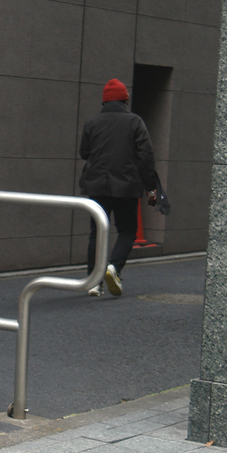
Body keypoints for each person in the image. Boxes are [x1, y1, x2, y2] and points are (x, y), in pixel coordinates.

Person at [78, 78, 159, 297]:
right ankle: (114, 267)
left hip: (96, 186)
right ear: (125, 100)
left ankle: (94, 283)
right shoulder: (135, 122)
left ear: (104, 101)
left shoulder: (92, 122)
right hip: (126, 186)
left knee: (97, 233)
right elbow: (146, 156)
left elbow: (84, 153)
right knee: (127, 231)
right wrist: (151, 188)